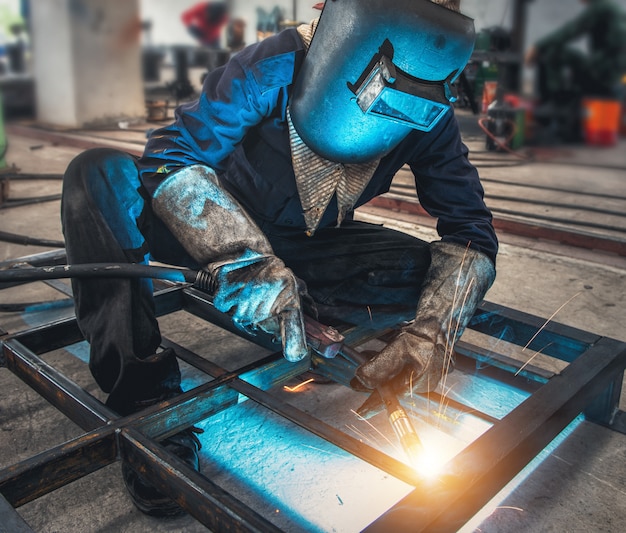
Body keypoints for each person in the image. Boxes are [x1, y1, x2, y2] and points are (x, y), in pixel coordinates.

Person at [61, 0, 497, 518]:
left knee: (429, 275)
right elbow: (171, 156)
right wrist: (241, 256)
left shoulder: (432, 110)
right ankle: (147, 407)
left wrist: (435, 329)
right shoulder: (272, 66)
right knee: (98, 175)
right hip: (203, 232)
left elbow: (470, 230)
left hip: (306, 245)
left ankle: (299, 301)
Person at [525, 0, 626, 139]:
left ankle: (556, 101)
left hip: (602, 73)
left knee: (554, 51)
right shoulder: (612, 8)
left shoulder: (601, 8)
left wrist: (538, 46)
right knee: (563, 53)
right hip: (613, 74)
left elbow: (571, 30)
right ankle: (559, 101)